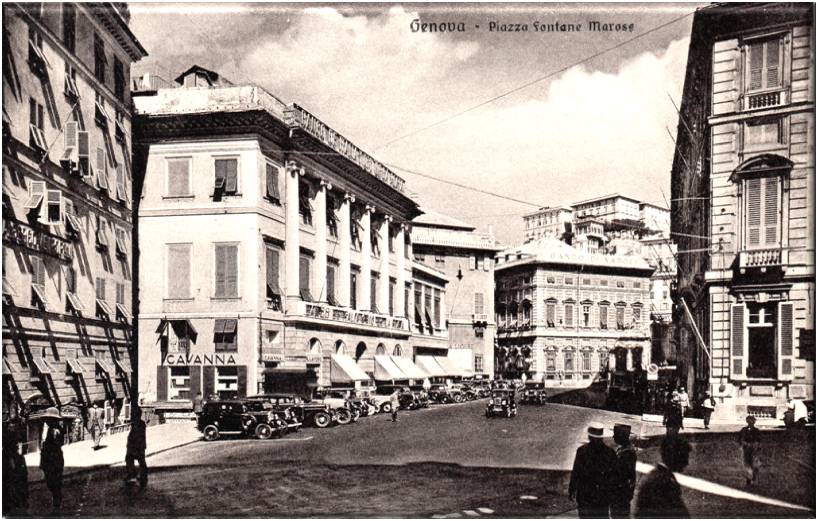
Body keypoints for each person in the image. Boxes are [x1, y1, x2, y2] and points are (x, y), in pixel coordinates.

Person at [568, 422, 617, 518]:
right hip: (602, 495)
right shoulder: (610, 452)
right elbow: (615, 476)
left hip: (585, 494)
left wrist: (572, 489)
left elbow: (576, 472)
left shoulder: (582, 451)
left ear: (589, 437)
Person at [634, 435, 691, 518]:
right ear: (674, 457)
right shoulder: (662, 482)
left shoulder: (660, 477)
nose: (686, 463)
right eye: (684, 457)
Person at [39, 408, 65, 513]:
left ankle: (56, 506)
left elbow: (58, 444)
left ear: (54, 420)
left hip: (54, 460)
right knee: (50, 482)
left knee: (55, 482)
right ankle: (56, 502)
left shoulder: (56, 430)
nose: (47, 420)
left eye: (49, 419)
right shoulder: (47, 429)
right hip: (47, 460)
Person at [610, 423, 637, 518]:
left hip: (620, 493)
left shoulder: (627, 453)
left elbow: (622, 474)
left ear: (622, 436)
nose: (613, 436)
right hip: (622, 492)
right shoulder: (624, 449)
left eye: (615, 434)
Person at [2, 420, 29, 516]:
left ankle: (19, 502)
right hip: (12, 461)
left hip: (16, 461)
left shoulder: (15, 435)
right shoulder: (8, 440)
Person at [125, 415, 148, 489]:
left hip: (136, 446)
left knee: (132, 460)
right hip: (139, 446)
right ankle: (140, 476)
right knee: (139, 461)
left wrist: (130, 444)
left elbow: (134, 436)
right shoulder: (140, 423)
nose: (131, 417)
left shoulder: (137, 424)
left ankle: (134, 475)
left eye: (133, 415)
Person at [739, 415, 761, 487]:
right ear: (747, 421)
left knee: (754, 464)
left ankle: (753, 478)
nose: (751, 422)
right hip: (746, 449)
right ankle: (748, 479)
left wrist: (756, 445)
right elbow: (741, 439)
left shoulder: (756, 431)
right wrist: (744, 444)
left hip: (754, 449)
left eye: (753, 421)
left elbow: (759, 440)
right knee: (747, 464)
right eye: (749, 421)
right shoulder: (744, 430)